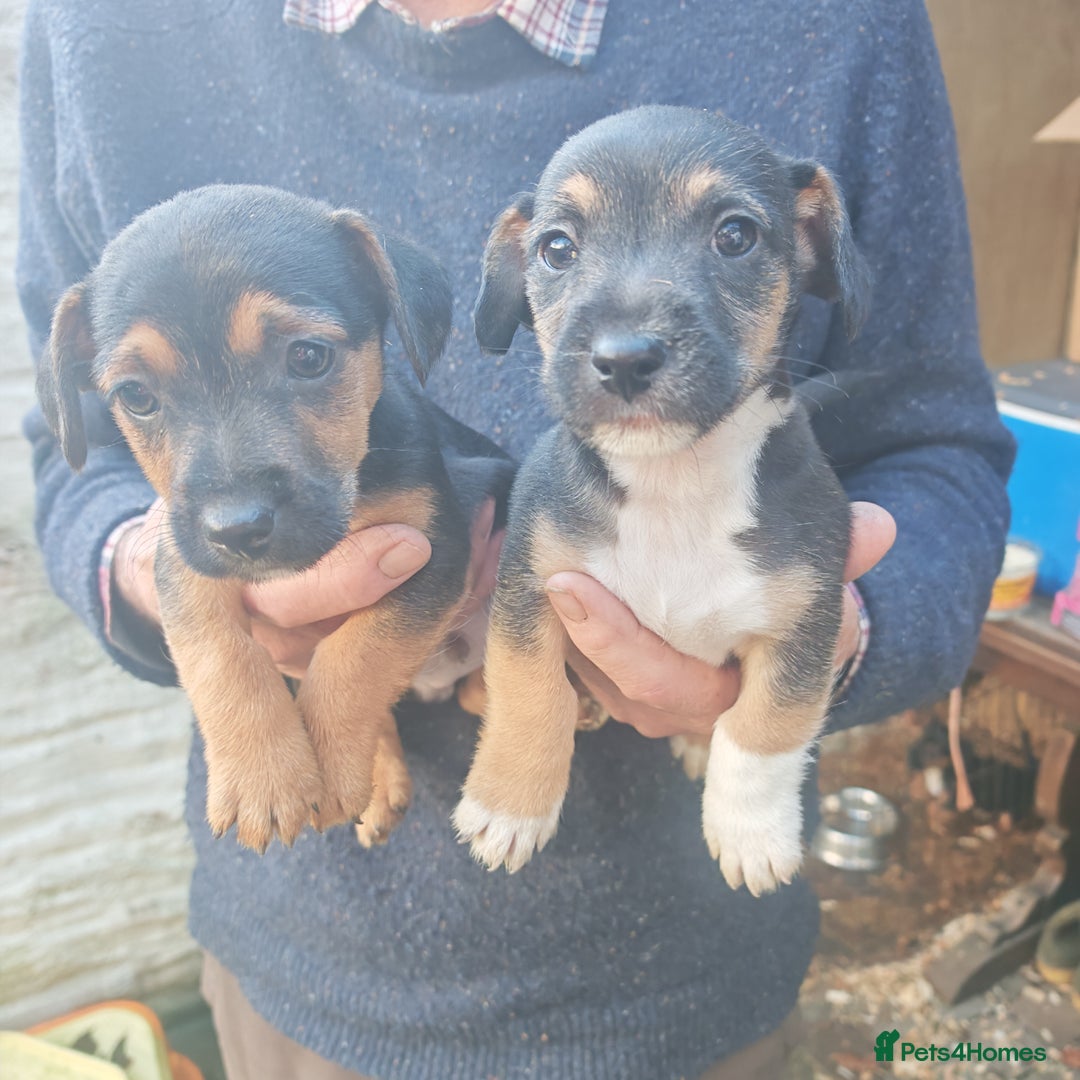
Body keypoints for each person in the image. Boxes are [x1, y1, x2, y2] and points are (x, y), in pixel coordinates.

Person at [18, 1, 1013, 1077]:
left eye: (731, 235)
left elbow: (938, 447)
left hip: (693, 969)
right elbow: (81, 468)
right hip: (306, 967)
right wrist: (160, 580)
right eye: (558, 247)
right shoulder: (95, 25)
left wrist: (814, 647)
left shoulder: (839, 22)